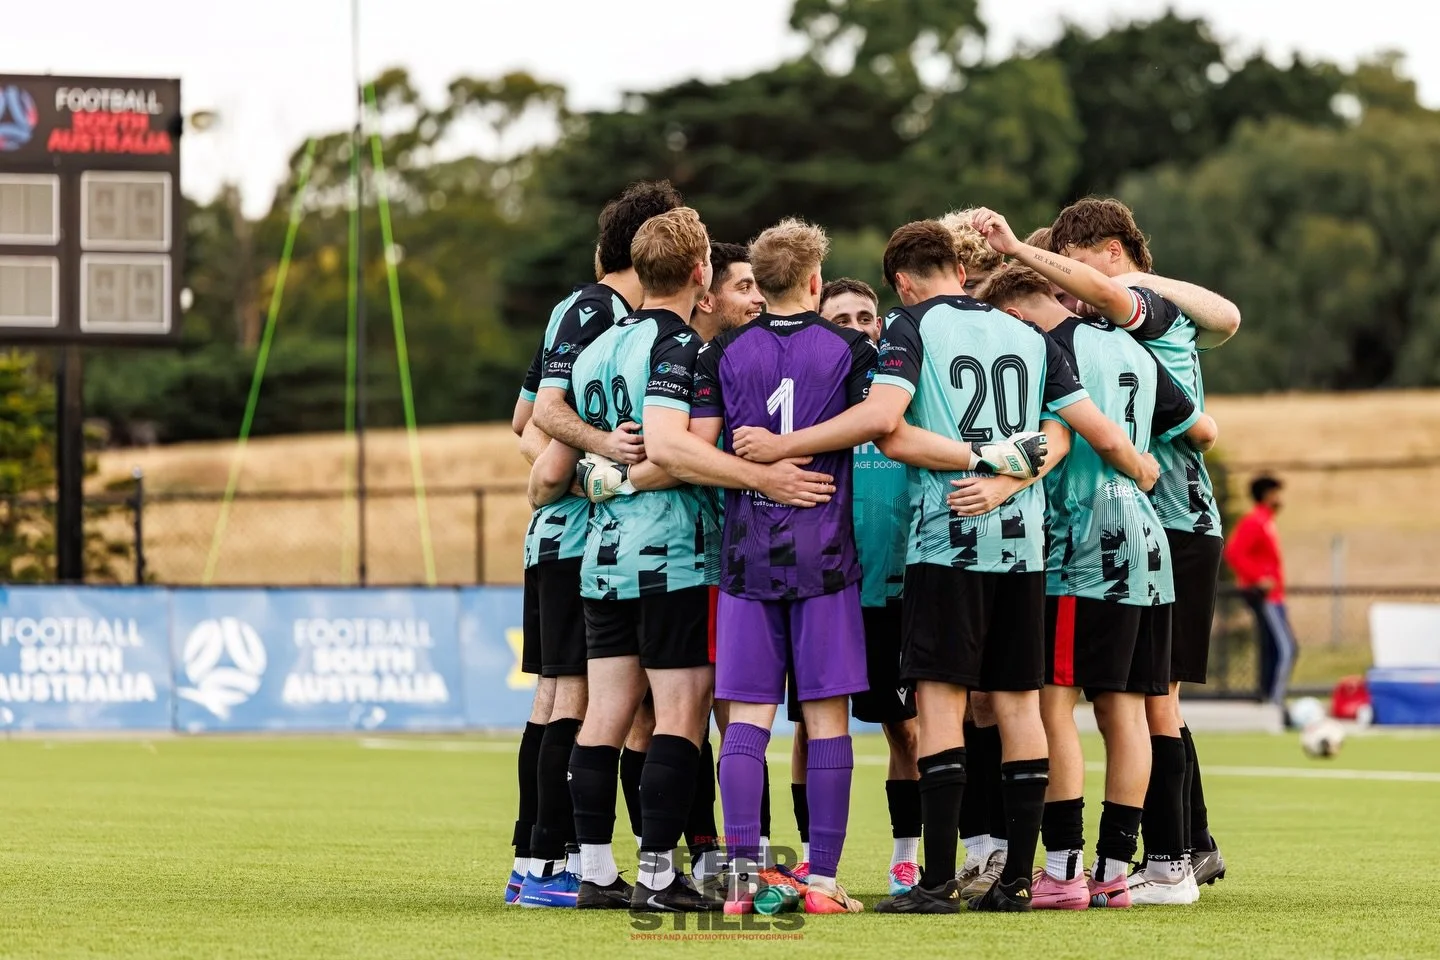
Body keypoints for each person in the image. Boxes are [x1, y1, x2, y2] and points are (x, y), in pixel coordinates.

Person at [727, 220, 1159, 913]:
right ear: (960, 266)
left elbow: (887, 427)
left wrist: (786, 448)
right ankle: (1019, 878)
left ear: (901, 282)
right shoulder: (1030, 333)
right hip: (1024, 543)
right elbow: (1072, 427)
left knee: (940, 705)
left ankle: (934, 881)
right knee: (1020, 703)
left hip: (947, 537)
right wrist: (1118, 467)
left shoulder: (910, 328)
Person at [974, 254, 1217, 910]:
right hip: (1148, 545)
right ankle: (1114, 872)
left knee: (1053, 706)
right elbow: (1199, 430)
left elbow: (1051, 443)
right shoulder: (1136, 351)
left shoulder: (1052, 351)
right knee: (1126, 709)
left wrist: (980, 469)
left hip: (1086, 551)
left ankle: (1063, 872)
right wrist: (1140, 465)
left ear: (1018, 313)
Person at [529, 207, 733, 911]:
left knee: (605, 713)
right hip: (670, 553)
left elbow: (548, 436)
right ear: (701, 272)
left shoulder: (595, 349)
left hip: (602, 553)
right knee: (682, 710)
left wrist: (599, 459)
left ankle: (593, 872)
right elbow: (678, 453)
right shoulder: (686, 349)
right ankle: (655, 877)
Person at [1047, 197, 1240, 891]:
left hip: (1174, 521)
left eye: (1076, 269)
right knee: (1151, 698)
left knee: (1155, 699)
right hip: (1149, 523)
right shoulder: (1119, 322)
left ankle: (1173, 858)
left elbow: (1227, 317)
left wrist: (1135, 283)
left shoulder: (1141, 306)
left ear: (1109, 251)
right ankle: (1191, 843)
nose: (1073, 293)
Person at [516, 180, 683, 909]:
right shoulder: (604, 313)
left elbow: (523, 418)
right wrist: (601, 467)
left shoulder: (579, 310)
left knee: (570, 699)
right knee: (577, 699)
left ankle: (543, 861)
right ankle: (547, 862)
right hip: (587, 536)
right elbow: (541, 429)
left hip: (578, 535)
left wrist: (580, 468)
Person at [801, 277, 922, 897]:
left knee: (906, 728)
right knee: (811, 726)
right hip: (828, 588)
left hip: (896, 592)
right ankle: (806, 858)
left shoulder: (908, 390)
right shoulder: (816, 395)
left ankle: (906, 858)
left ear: (881, 322)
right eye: (840, 317)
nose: (856, 325)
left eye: (865, 315)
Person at [1225, 476, 1298, 707]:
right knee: (1285, 648)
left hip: (1276, 597)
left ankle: (1272, 696)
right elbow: (1234, 552)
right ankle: (1273, 701)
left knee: (1276, 646)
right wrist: (1258, 579)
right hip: (1267, 597)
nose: (1280, 499)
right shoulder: (1255, 521)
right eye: (1276, 493)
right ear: (1266, 495)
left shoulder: (1267, 521)